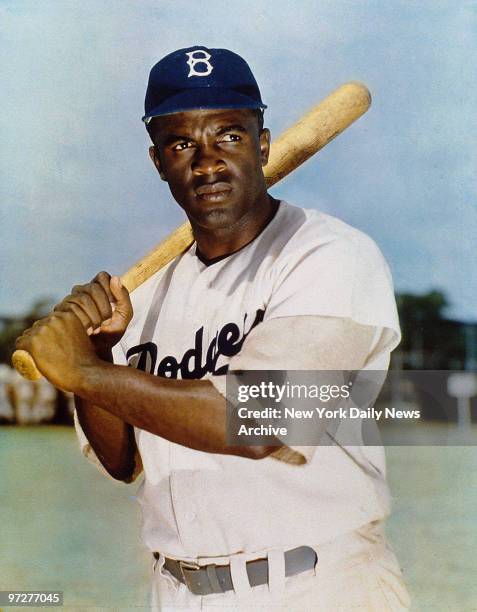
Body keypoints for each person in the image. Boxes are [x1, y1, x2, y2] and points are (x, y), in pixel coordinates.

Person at [16, 46, 410, 610]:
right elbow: (122, 461)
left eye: (228, 135)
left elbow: (259, 421)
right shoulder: (143, 295)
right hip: (176, 589)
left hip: (316, 584)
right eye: (182, 144)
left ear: (264, 143)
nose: (207, 163)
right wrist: (99, 356)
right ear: (158, 162)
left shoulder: (330, 257)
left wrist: (81, 372)